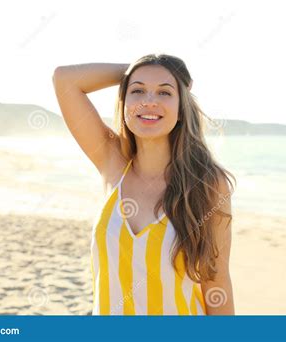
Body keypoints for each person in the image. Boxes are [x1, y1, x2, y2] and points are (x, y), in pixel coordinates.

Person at [52, 54, 235, 315]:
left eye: (164, 92)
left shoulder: (207, 184)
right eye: (138, 91)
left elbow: (216, 281)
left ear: (182, 106)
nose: (150, 101)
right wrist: (136, 69)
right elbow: (64, 79)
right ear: (124, 102)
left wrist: (144, 75)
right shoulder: (113, 163)